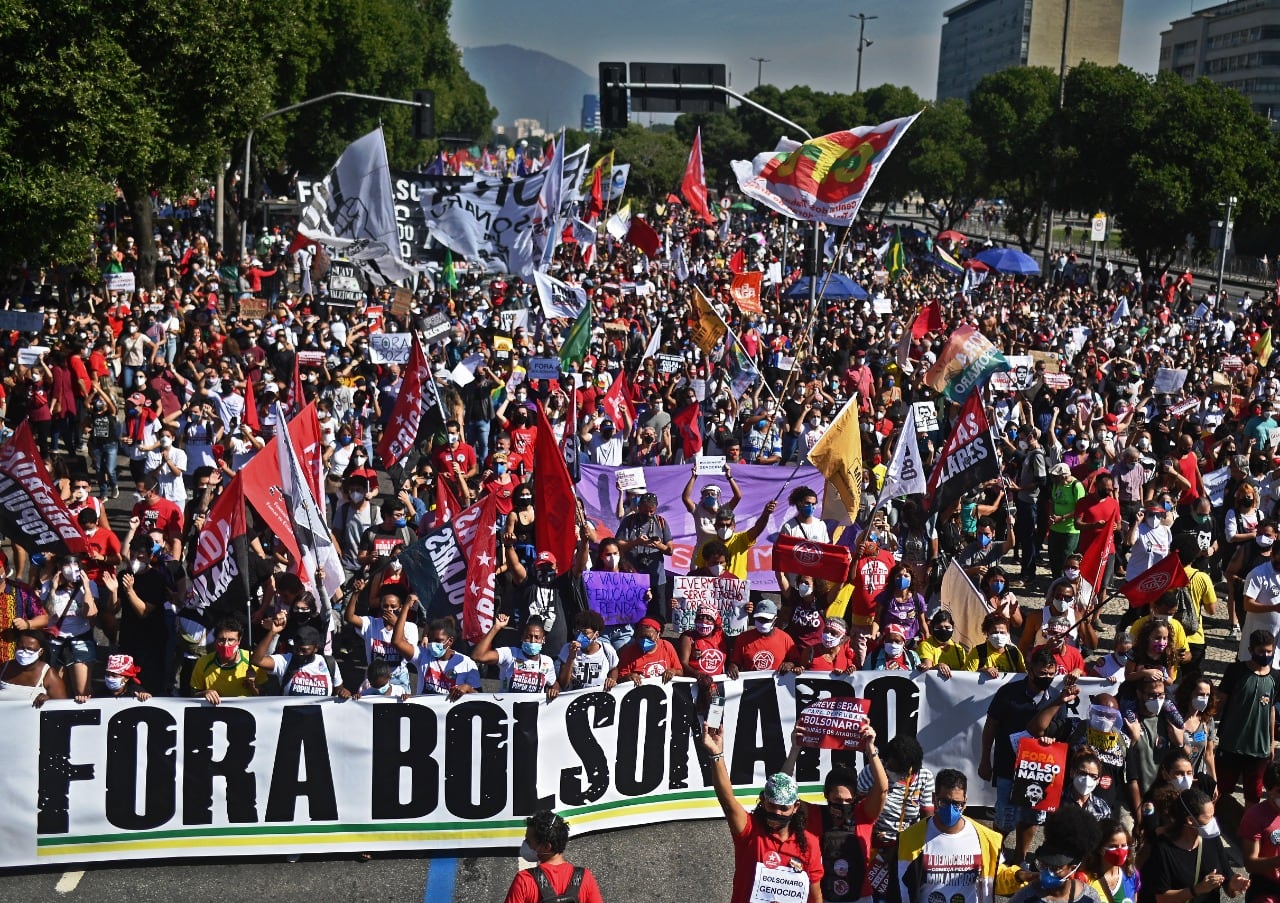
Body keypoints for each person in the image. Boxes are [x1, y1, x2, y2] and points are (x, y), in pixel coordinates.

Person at [700, 723, 824, 903]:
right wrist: (716, 755)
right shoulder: (750, 830)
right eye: (772, 805)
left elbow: (816, 896)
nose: (777, 812)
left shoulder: (809, 844)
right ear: (763, 801)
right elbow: (728, 802)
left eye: (784, 808)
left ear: (795, 807)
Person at [780, 723, 888, 903]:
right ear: (826, 796)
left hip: (860, 897)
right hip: (821, 896)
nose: (843, 805)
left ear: (855, 798)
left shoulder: (864, 815)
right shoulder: (814, 815)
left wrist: (871, 750)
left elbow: (882, 789)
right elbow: (783, 791)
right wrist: (795, 749)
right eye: (837, 800)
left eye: (848, 801)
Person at [979, 647, 1062, 867]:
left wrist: (1051, 740)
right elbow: (991, 726)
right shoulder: (1008, 693)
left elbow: (1060, 731)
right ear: (1030, 670)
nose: (1047, 677)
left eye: (1051, 673)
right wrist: (985, 758)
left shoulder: (1056, 697)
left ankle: (1020, 858)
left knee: (1032, 815)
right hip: (1008, 766)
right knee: (1005, 816)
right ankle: (996, 853)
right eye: (1042, 673)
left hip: (1039, 770)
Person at [898, 768, 1028, 903]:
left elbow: (997, 878)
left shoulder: (986, 839)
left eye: (956, 803)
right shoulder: (909, 840)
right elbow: (899, 887)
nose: (950, 809)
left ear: (965, 802)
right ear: (934, 799)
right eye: (944, 802)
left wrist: (1020, 876)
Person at [1137, 789, 1249, 903]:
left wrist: (1234, 885)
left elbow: (1229, 886)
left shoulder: (1212, 839)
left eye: (1213, 816)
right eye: (1209, 817)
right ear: (1190, 820)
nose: (1213, 822)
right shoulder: (1163, 849)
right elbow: (1162, 898)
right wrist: (1197, 890)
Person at [1216, 629, 1279, 806]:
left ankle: (1248, 831)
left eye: (1269, 651)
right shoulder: (1236, 671)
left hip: (1259, 749)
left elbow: (1271, 710)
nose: (1265, 655)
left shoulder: (1276, 677)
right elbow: (1220, 700)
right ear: (1251, 650)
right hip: (1231, 744)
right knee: (1220, 790)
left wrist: (1271, 742)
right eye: (1261, 651)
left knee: (1253, 795)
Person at [502, 810, 604, 903]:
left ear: (546, 847)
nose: (525, 844)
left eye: (528, 841)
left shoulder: (524, 880)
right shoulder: (585, 877)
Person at [1008, 805, 1104, 903]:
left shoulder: (1090, 899)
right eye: (1044, 865)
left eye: (1055, 868)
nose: (1047, 872)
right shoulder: (1027, 896)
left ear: (1073, 868)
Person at [391, 607, 481, 700]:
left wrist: (468, 688)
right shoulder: (422, 655)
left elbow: (481, 698)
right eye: (431, 640)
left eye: (439, 641)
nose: (434, 644)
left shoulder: (467, 663)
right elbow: (397, 642)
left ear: (450, 641)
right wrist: (406, 607)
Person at [473, 612, 560, 698]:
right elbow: (478, 656)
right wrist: (496, 627)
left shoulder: (547, 662)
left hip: (533, 710)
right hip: (507, 707)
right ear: (522, 637)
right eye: (529, 637)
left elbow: (553, 683)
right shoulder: (510, 654)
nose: (533, 641)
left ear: (543, 639)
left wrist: (555, 689)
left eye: (537, 637)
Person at [190, 618, 264, 704]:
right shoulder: (203, 662)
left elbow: (266, 696)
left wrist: (252, 685)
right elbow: (193, 695)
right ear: (215, 640)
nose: (226, 644)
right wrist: (205, 693)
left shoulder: (253, 660)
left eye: (231, 640)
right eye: (221, 640)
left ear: (239, 641)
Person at [1240, 763, 1280, 903]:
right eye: (1279, 791)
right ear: (1268, 790)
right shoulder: (1255, 816)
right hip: (1267, 890)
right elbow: (1250, 864)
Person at [557, 609, 620, 691]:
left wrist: (612, 680)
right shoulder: (567, 649)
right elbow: (563, 684)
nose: (579, 637)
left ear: (596, 635)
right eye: (577, 631)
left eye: (585, 633)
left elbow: (613, 669)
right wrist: (571, 657)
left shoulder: (606, 650)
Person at [0, 629, 66, 706]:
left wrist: (49, 700)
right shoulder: (3, 668)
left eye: (30, 649)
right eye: (21, 648)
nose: (24, 652)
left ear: (40, 652)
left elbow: (62, 706)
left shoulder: (48, 675)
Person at [1085, 820, 1140, 903]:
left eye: (1124, 845)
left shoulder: (1131, 874)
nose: (1120, 851)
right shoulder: (1086, 880)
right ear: (1100, 848)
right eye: (1113, 846)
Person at [678, 605, 738, 679]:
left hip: (718, 681)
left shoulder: (722, 637)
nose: (704, 621)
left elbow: (730, 659)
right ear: (695, 620)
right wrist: (698, 675)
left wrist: (732, 665)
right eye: (700, 617)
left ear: (714, 622)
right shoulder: (688, 637)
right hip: (694, 682)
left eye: (709, 618)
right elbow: (683, 663)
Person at [75, 653, 152, 703]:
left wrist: (145, 696)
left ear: (126, 678)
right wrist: (82, 700)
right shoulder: (100, 692)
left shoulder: (135, 691)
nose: (110, 678)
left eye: (114, 675)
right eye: (108, 674)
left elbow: (148, 700)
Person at [917, 610, 967, 678]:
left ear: (953, 627)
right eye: (939, 628)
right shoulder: (926, 645)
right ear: (932, 628)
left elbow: (965, 672)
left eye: (947, 627)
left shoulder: (959, 648)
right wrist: (938, 666)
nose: (943, 630)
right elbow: (927, 671)